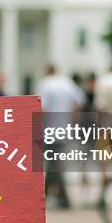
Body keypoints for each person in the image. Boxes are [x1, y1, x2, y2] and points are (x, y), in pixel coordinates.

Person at [38, 63, 85, 209]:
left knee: (55, 165)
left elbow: (42, 108)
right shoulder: (67, 82)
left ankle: (64, 199)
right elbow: (80, 101)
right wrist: (73, 119)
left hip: (50, 129)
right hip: (65, 128)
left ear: (46, 71)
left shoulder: (45, 84)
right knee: (54, 163)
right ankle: (44, 197)